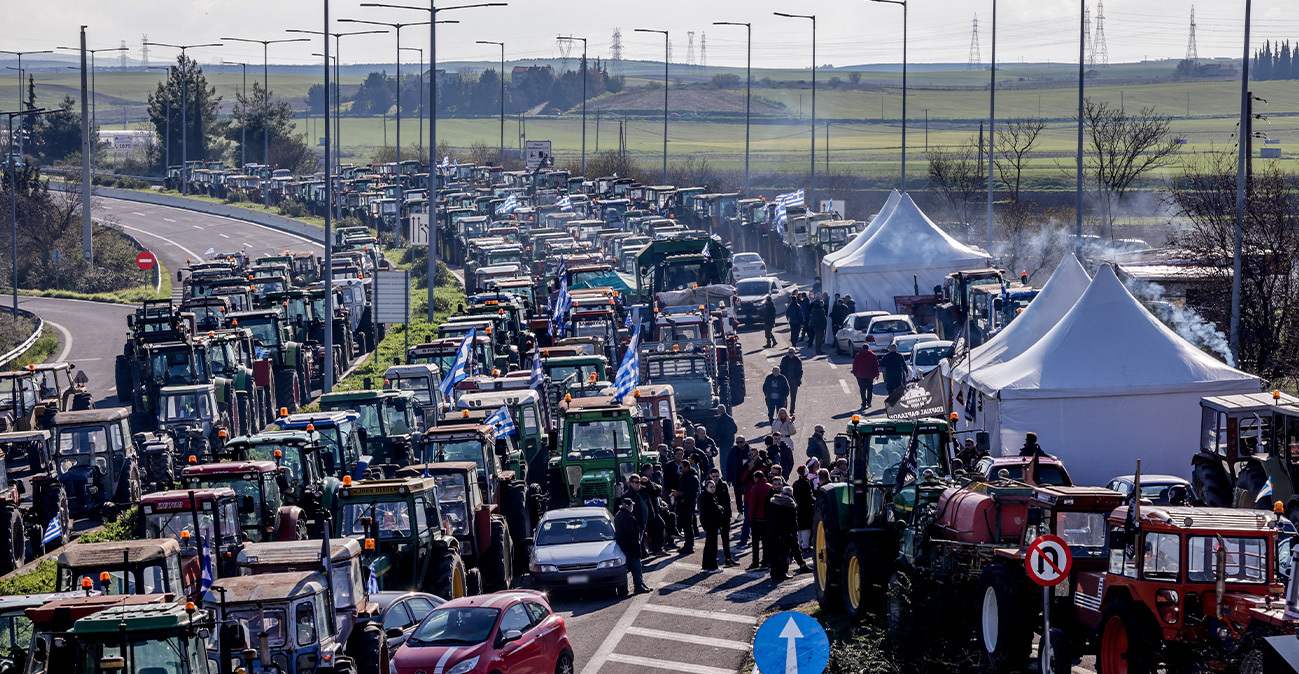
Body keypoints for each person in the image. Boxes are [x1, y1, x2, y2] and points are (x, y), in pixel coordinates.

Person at [767, 485, 809, 581]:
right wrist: (793, 533)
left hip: (773, 532)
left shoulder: (774, 502)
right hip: (786, 534)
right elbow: (793, 522)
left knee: (775, 554)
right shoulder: (790, 505)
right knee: (784, 555)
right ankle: (782, 573)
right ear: (791, 495)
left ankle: (773, 573)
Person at [615, 499, 650, 593]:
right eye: (631, 505)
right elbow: (629, 533)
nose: (632, 507)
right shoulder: (627, 516)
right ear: (627, 506)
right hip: (632, 547)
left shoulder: (619, 515)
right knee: (636, 567)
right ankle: (638, 586)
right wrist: (634, 543)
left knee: (626, 568)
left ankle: (628, 588)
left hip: (623, 546)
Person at [744, 471, 772, 570]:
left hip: (757, 519)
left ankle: (755, 562)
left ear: (756, 478)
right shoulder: (770, 487)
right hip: (767, 519)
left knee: (755, 543)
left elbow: (752, 505)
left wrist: (750, 518)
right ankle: (765, 561)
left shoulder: (755, 488)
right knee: (766, 542)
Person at [710, 468, 738, 566]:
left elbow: (727, 501)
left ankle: (728, 558)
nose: (715, 478)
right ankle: (712, 561)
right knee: (712, 540)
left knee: (726, 539)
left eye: (717, 476)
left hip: (724, 516)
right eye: (713, 476)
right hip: (714, 517)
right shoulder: (708, 486)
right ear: (710, 476)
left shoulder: (723, 486)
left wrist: (728, 515)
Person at [699, 480, 725, 573]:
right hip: (711, 524)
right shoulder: (708, 497)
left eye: (713, 487)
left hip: (708, 524)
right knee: (712, 546)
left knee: (708, 545)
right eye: (710, 487)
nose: (713, 488)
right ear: (706, 488)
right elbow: (715, 509)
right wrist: (720, 509)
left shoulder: (706, 496)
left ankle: (706, 566)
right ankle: (712, 567)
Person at [676, 464, 701, 554]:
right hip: (683, 504)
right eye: (679, 468)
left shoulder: (692, 478)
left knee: (688, 526)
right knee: (685, 526)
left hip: (688, 504)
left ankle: (689, 546)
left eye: (682, 468)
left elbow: (692, 493)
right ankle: (687, 545)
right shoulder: (683, 476)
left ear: (687, 467)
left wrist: (679, 494)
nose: (680, 469)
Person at [793, 466, 815, 552]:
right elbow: (809, 496)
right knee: (806, 527)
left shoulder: (796, 483)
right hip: (806, 508)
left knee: (800, 527)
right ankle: (805, 545)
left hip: (798, 507)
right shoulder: (806, 482)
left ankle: (800, 544)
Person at [725, 436, 750, 512]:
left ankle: (747, 510)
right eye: (737, 442)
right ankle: (740, 511)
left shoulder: (749, 451)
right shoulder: (733, 451)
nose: (739, 444)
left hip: (747, 478)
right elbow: (728, 465)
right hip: (736, 477)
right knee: (738, 496)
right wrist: (728, 479)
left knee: (748, 494)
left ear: (744, 442)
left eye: (741, 442)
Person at [778, 348, 803, 413]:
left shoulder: (798, 360)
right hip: (785, 380)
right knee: (784, 395)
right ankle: (784, 410)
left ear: (794, 353)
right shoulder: (784, 359)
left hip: (794, 380)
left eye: (791, 353)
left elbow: (800, 371)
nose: (790, 354)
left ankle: (792, 410)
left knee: (793, 396)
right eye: (789, 352)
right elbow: (781, 369)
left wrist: (798, 379)